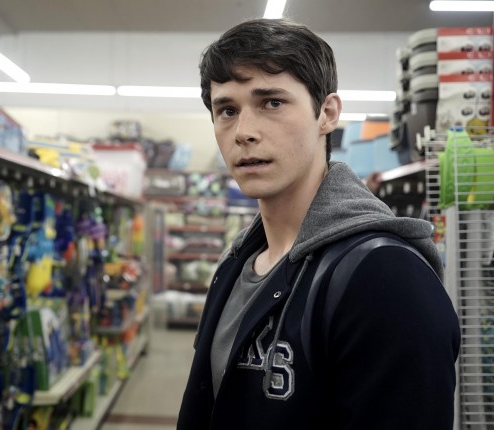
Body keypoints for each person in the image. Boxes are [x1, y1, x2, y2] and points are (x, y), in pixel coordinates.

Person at [177, 18, 460, 430]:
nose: (244, 132)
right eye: (227, 110)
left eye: (272, 103)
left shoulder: (386, 277)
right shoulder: (234, 264)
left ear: (327, 114)